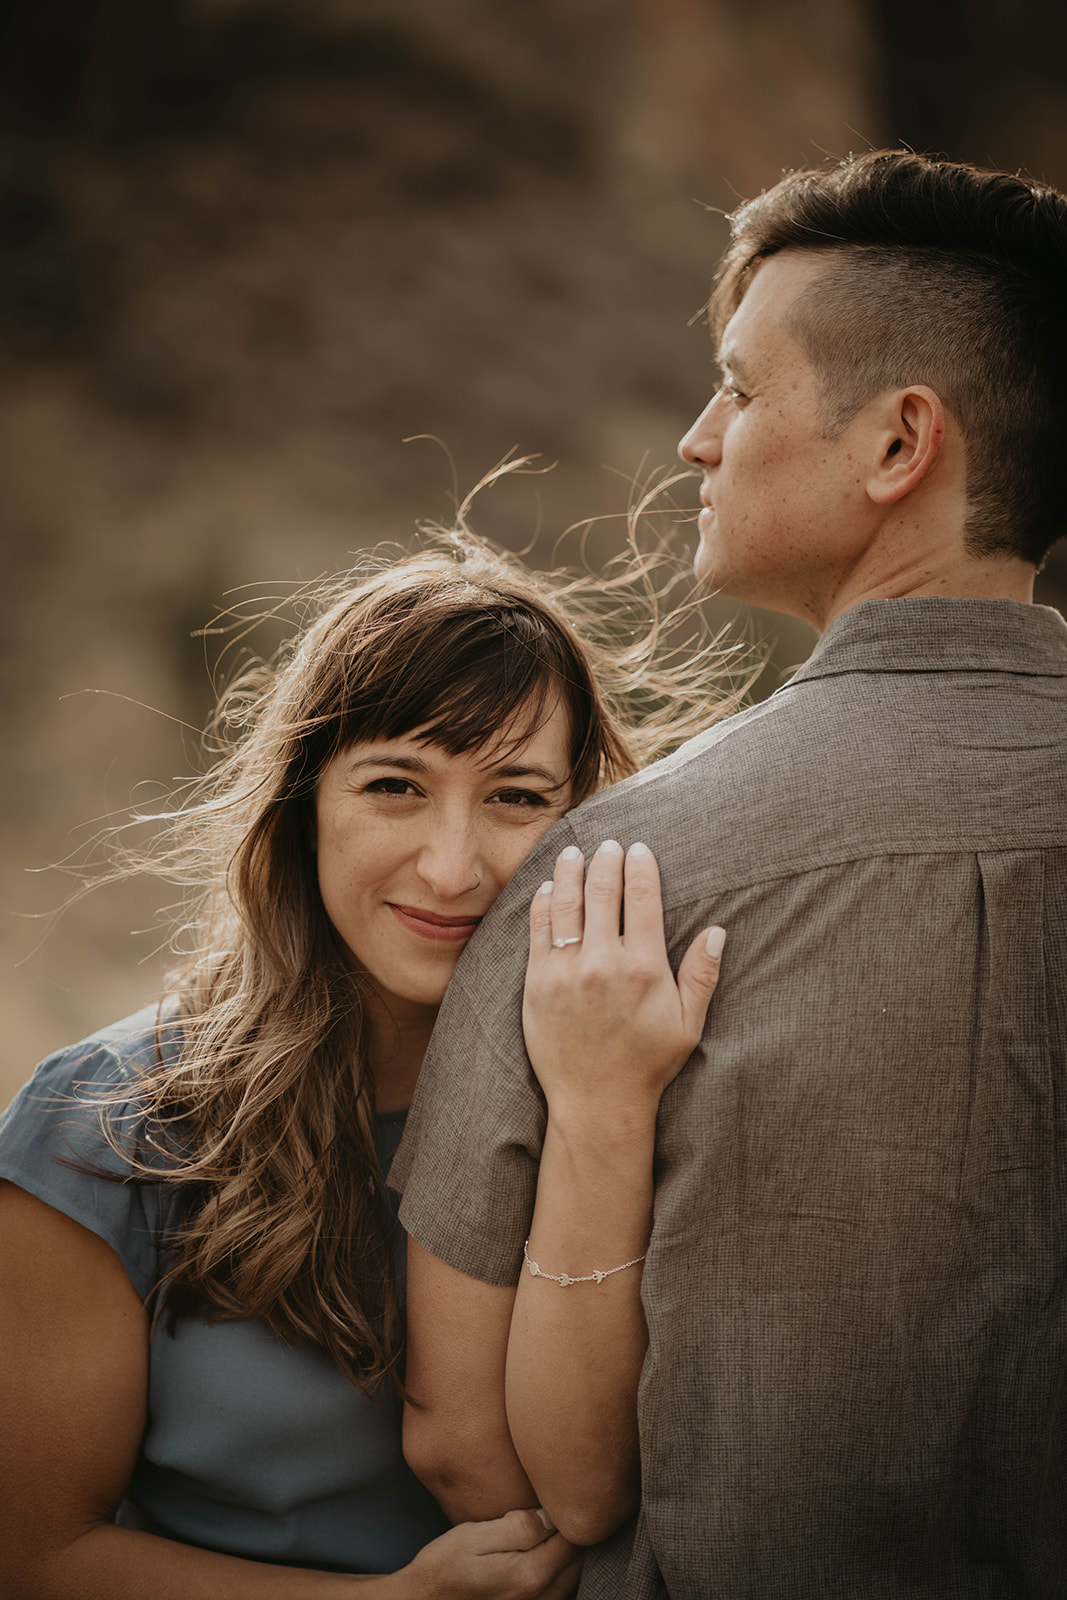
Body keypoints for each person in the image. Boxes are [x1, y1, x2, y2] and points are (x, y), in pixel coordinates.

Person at [392, 149, 1067, 1597]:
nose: (699, 440)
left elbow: (472, 1453)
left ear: (898, 445)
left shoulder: (621, 873)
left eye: (740, 388)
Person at [0, 533, 734, 1598]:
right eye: (395, 784)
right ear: (303, 806)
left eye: (516, 798)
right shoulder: (103, 1123)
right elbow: (34, 1553)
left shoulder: (643, 1091)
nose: (450, 864)